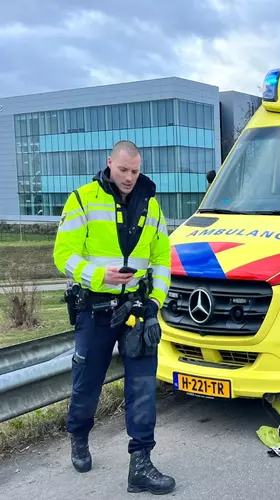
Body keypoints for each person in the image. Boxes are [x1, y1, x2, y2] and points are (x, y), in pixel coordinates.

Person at [53, 140, 175, 494]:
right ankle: (78, 435)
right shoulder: (83, 199)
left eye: (135, 171)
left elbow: (162, 261)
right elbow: (64, 254)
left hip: (137, 311)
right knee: (87, 383)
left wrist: (154, 303)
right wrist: (98, 276)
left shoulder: (151, 204)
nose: (129, 177)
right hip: (95, 308)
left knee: (141, 388)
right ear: (110, 163)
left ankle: (141, 464)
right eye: (123, 170)